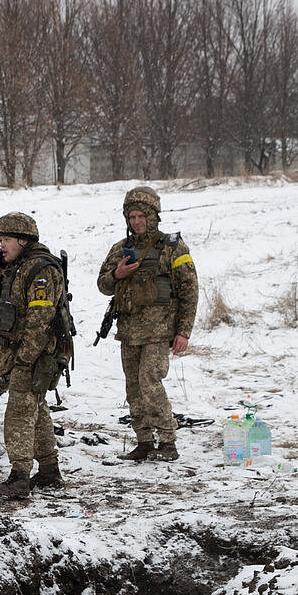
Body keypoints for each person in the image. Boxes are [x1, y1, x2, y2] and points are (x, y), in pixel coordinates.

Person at [97, 186, 199, 462]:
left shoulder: (173, 247)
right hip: (129, 332)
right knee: (133, 388)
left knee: (150, 382)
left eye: (142, 215)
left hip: (159, 331)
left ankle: (167, 441)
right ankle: (143, 441)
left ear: (154, 216)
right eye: (132, 217)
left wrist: (183, 332)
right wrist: (117, 274)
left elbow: (189, 290)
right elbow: (103, 284)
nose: (137, 221)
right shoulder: (121, 249)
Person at [0, 212, 66, 498]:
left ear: (23, 239)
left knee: (18, 413)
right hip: (25, 354)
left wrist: (25, 359)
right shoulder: (17, 268)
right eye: (1, 239)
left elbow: (39, 320)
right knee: (37, 411)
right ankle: (49, 470)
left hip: (34, 356)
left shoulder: (40, 270)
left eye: (6, 239)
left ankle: (19, 478)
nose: (2, 245)